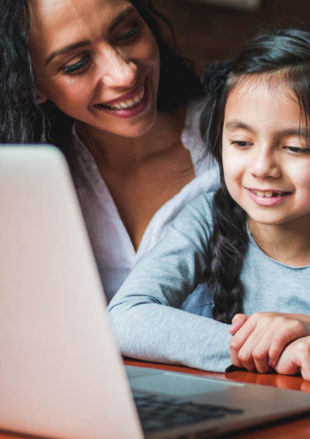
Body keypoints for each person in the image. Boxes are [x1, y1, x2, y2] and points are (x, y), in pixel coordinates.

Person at [107, 29, 310, 382]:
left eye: (295, 148)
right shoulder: (206, 220)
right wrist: (275, 349)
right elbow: (124, 318)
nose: (262, 167)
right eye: (241, 142)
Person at [0, 0, 218, 300]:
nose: (124, 74)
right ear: (32, 86)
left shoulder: (235, 140)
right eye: (77, 64)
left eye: (128, 33)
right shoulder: (23, 190)